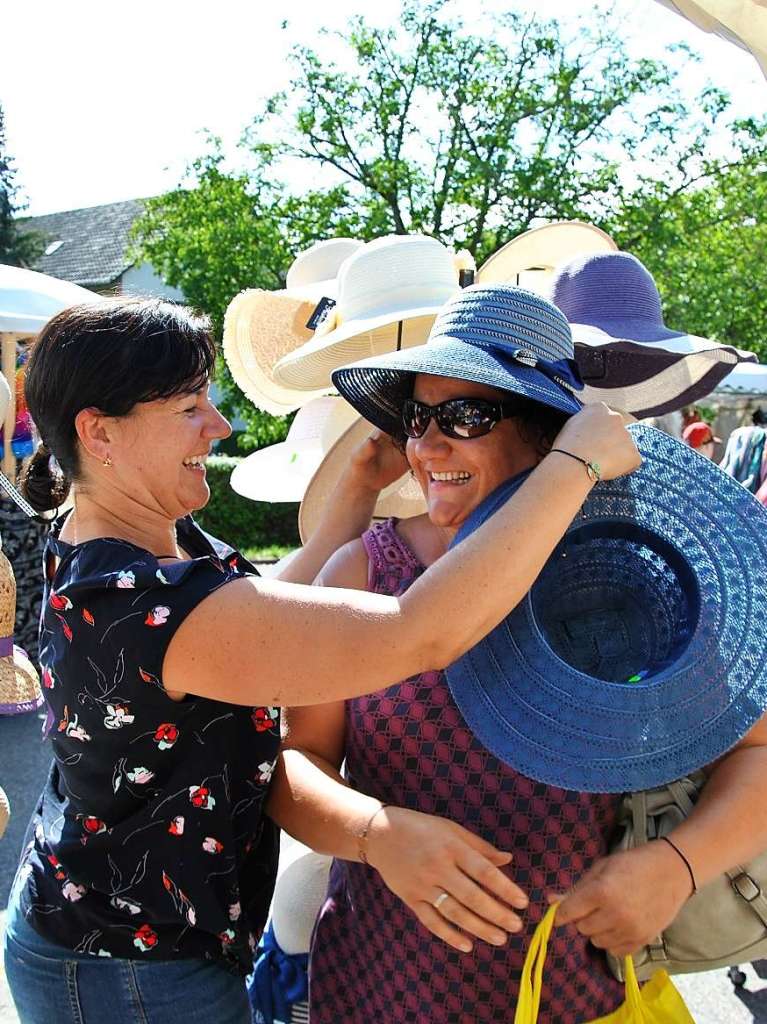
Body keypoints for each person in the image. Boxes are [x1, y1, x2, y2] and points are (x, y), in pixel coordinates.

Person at [1, 297, 638, 1024]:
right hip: (129, 971)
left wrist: (362, 481)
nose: (220, 426)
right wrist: (574, 462)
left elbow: (272, 608)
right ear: (99, 431)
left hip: (118, 928)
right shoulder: (139, 603)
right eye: (188, 407)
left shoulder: (135, 546)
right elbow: (417, 634)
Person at [268, 283, 767, 1024]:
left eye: (463, 416)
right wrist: (376, 834)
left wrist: (674, 866)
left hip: (568, 988)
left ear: (545, 433)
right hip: (381, 978)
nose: (427, 445)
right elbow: (295, 762)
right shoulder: (366, 572)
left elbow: (754, 750)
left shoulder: (631, 575)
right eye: (417, 417)